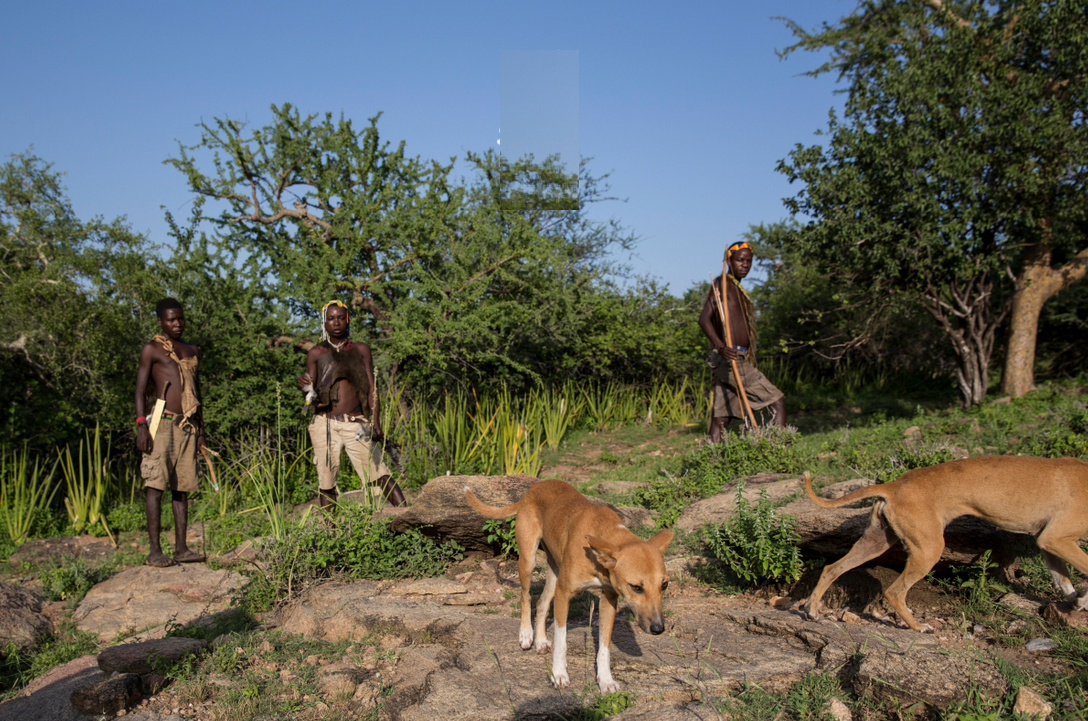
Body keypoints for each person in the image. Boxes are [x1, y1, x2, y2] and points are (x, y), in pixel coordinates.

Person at [297, 300, 406, 511]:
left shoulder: (360, 350)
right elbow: (310, 396)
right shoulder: (316, 353)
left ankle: (409, 519)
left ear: (347, 320)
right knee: (326, 479)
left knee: (378, 472)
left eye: (340, 317)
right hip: (324, 424)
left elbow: (371, 388)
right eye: (331, 318)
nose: (336, 322)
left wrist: (375, 423)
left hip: (356, 423)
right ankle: (331, 531)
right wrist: (303, 385)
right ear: (324, 323)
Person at [135, 298, 207, 567]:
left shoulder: (191, 349)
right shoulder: (152, 349)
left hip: (187, 424)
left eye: (180, 318)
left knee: (182, 487)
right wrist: (141, 424)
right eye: (170, 320)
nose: (177, 324)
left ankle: (181, 548)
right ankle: (154, 551)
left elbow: (197, 393)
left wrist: (201, 430)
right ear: (160, 321)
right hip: (161, 424)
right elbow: (140, 390)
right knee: (155, 485)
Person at [698, 241, 786, 443]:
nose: (745, 265)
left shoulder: (735, 286)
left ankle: (711, 463)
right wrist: (721, 346)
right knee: (777, 401)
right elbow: (704, 319)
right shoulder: (723, 283)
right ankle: (780, 453)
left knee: (721, 417)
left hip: (731, 359)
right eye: (740, 260)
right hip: (731, 359)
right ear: (728, 261)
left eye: (748, 261)